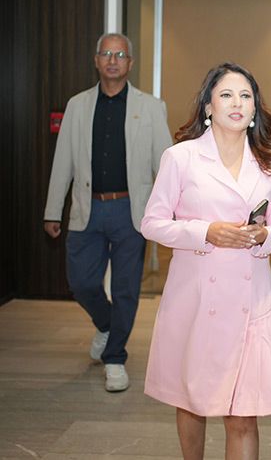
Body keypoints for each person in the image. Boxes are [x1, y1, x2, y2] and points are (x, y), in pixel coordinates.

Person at [141, 63, 271, 459]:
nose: (236, 103)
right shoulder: (181, 158)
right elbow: (152, 223)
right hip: (195, 299)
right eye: (226, 95)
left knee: (244, 416)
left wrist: (265, 236)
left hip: (251, 303)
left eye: (245, 96)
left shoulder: (269, 162)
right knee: (192, 401)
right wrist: (205, 232)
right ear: (208, 106)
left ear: (255, 108)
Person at [43, 33, 172, 392]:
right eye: (106, 54)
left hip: (132, 210)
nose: (113, 60)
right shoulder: (78, 105)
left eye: (120, 55)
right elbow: (63, 162)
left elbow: (166, 165)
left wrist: (172, 213)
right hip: (88, 208)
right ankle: (106, 325)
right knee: (81, 283)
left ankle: (115, 358)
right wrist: (53, 210)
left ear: (130, 63)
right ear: (96, 60)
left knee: (126, 288)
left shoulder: (151, 107)